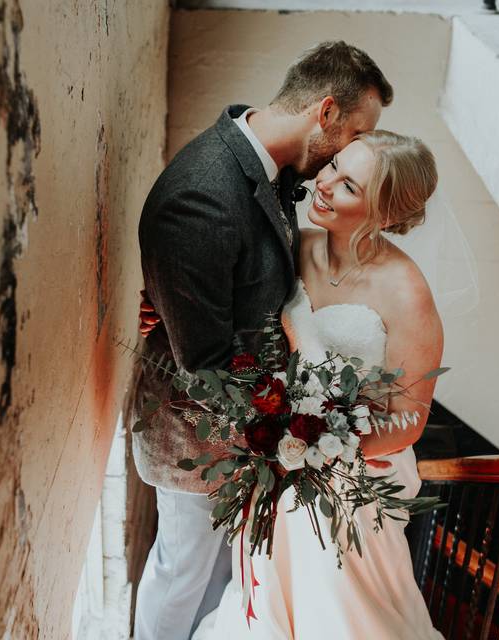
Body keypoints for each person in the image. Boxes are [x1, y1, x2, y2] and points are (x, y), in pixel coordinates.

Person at [132, 42, 393, 640]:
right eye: (355, 131)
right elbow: (204, 368)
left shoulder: (271, 167)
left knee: (231, 580)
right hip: (194, 436)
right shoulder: (201, 196)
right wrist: (296, 425)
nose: (354, 149)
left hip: (248, 439)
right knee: (181, 573)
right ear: (325, 112)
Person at [192, 130, 444, 639]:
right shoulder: (293, 245)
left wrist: (323, 449)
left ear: (385, 214)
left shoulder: (406, 292)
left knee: (334, 601)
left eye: (348, 185)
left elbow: (409, 417)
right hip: (279, 454)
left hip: (355, 476)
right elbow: (218, 295)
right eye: (333, 167)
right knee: (265, 590)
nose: (323, 184)